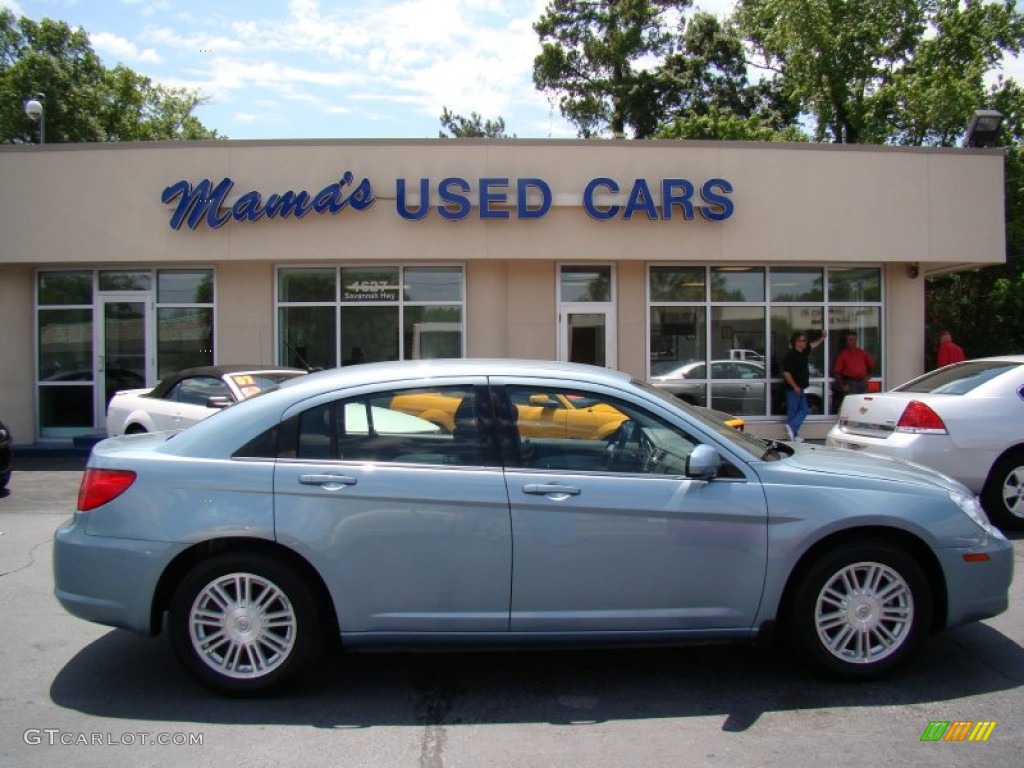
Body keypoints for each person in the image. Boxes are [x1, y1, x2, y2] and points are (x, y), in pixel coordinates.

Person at [782, 329, 826, 442]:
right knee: (794, 410)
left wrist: (822, 337)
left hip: (801, 388)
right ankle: (793, 432)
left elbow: (813, 345)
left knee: (803, 409)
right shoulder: (790, 356)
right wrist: (795, 386)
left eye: (805, 340)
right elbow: (786, 373)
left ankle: (793, 432)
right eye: (803, 340)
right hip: (792, 389)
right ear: (797, 342)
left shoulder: (804, 352)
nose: (805, 342)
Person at [833, 331, 875, 396]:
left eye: (852, 340)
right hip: (850, 383)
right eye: (849, 340)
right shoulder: (843, 355)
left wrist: (869, 376)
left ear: (856, 340)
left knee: (863, 404)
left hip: (862, 382)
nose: (850, 342)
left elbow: (872, 365)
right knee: (852, 404)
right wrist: (843, 386)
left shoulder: (862, 353)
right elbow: (837, 372)